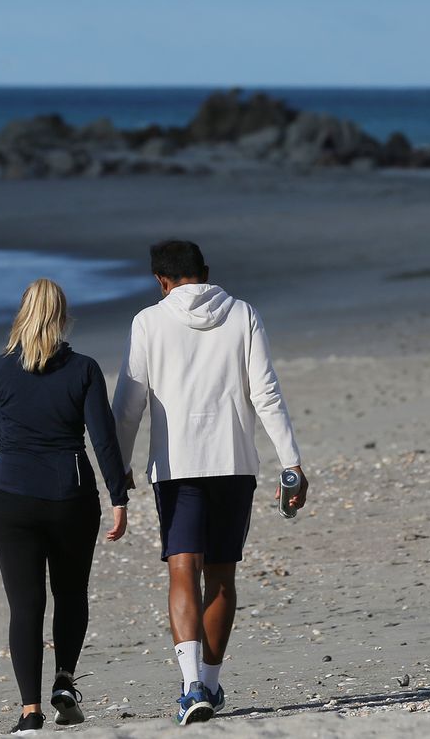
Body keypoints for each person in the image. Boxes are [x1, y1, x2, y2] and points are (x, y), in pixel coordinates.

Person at [113, 240, 306, 725]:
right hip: (235, 461)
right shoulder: (242, 313)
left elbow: (129, 402)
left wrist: (117, 466)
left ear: (160, 280)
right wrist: (292, 461)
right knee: (221, 575)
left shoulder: (148, 322)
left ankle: (191, 684)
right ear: (205, 272)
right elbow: (266, 392)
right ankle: (212, 686)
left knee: (184, 570)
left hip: (178, 466)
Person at [0, 278, 131, 735]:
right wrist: (119, 495)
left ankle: (29, 711)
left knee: (25, 607)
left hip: (10, 498)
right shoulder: (83, 369)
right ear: (62, 316)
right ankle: (64, 680)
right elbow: (103, 439)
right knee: (71, 593)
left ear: (21, 313)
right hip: (70, 498)